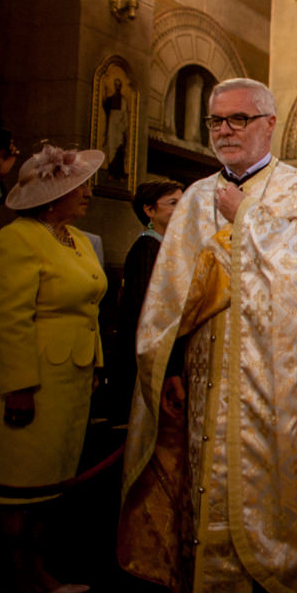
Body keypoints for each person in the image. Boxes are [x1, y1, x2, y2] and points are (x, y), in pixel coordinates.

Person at [118, 78, 297, 593]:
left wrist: (246, 215)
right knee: (207, 484)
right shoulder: (195, 197)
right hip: (204, 377)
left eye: (238, 119)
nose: (224, 130)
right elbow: (170, 298)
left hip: (278, 384)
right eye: (217, 121)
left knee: (271, 489)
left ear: (269, 123)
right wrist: (170, 366)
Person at [0, 144, 105, 593]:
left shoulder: (70, 237)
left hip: (68, 375)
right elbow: (8, 319)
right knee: (17, 486)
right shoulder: (17, 239)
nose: (88, 194)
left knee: (49, 484)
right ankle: (14, 583)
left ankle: (39, 572)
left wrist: (92, 365)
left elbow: (88, 307)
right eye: (80, 188)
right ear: (53, 198)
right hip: (29, 377)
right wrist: (16, 387)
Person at [106, 180, 184, 422]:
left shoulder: (166, 248)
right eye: (173, 203)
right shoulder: (147, 250)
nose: (182, 209)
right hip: (146, 362)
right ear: (149, 210)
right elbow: (148, 312)